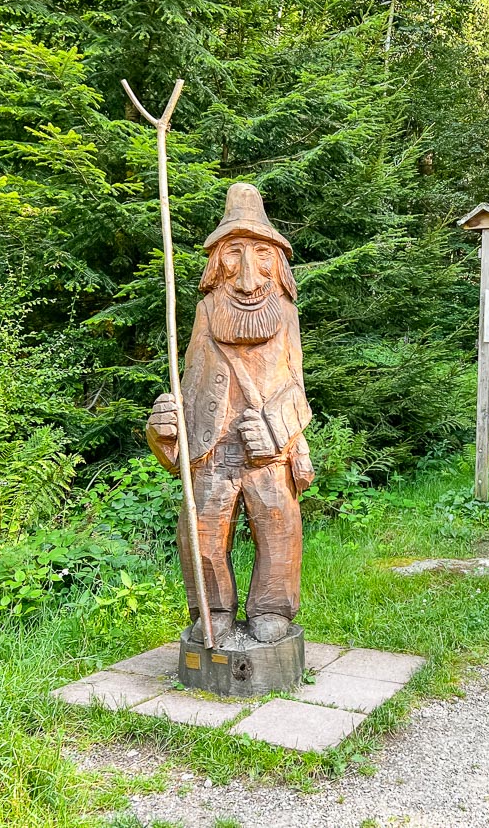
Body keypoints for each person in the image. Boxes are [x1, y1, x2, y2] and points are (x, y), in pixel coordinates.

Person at [146, 183, 314, 644]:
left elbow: (298, 389)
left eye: (260, 254)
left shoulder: (285, 315)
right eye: (233, 253)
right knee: (201, 532)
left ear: (277, 261)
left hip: (269, 457)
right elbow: (192, 388)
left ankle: (272, 606)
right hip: (211, 454)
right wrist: (166, 434)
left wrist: (277, 429)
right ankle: (212, 607)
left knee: (278, 527)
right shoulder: (204, 311)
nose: (247, 277)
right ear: (217, 261)